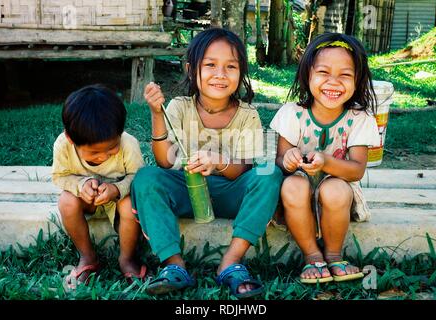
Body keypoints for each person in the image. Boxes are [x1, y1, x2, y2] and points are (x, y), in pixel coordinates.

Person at [131, 28, 283, 298]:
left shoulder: (248, 116)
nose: (220, 74)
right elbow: (165, 161)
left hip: (230, 192)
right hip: (185, 192)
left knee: (269, 174)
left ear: (241, 72)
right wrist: (157, 113)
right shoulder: (179, 107)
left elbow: (244, 168)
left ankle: (232, 261)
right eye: (210, 65)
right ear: (191, 69)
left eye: (230, 67)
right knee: (146, 178)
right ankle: (174, 266)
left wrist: (219, 163)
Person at [270, 33, 380, 284]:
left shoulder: (359, 118)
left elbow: (356, 171)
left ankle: (333, 254)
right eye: (323, 72)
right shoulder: (292, 113)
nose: (334, 82)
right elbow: (279, 160)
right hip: (297, 195)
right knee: (292, 184)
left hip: (338, 193)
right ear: (307, 74)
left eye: (345, 75)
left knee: (335, 189)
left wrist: (327, 162)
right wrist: (288, 158)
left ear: (358, 80)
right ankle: (312, 256)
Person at [52, 84, 147, 289]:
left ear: (120, 134)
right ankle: (87, 257)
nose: (103, 156)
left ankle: (127, 258)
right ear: (71, 139)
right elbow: (59, 177)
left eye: (112, 148)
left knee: (129, 205)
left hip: (118, 200)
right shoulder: (63, 145)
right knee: (66, 201)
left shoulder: (128, 144)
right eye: (94, 153)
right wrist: (81, 185)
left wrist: (117, 189)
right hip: (86, 202)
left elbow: (139, 178)